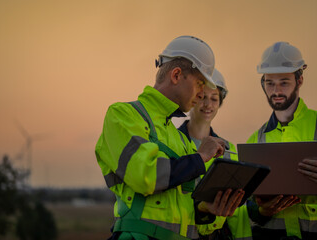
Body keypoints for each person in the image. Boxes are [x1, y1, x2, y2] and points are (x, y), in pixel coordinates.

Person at [95, 35, 242, 240]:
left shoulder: (181, 139)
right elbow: (145, 175)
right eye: (200, 83)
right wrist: (200, 158)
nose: (202, 94)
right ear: (176, 75)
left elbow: (186, 211)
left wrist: (206, 210)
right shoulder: (123, 115)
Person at [247, 41, 317, 240]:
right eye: (269, 82)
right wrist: (262, 212)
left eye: (284, 82)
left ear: (299, 80)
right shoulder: (255, 141)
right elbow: (247, 206)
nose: (276, 90)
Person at [178, 69, 251, 240]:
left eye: (214, 99)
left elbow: (238, 210)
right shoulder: (172, 142)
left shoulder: (229, 150)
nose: (208, 105)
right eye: (202, 97)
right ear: (193, 98)